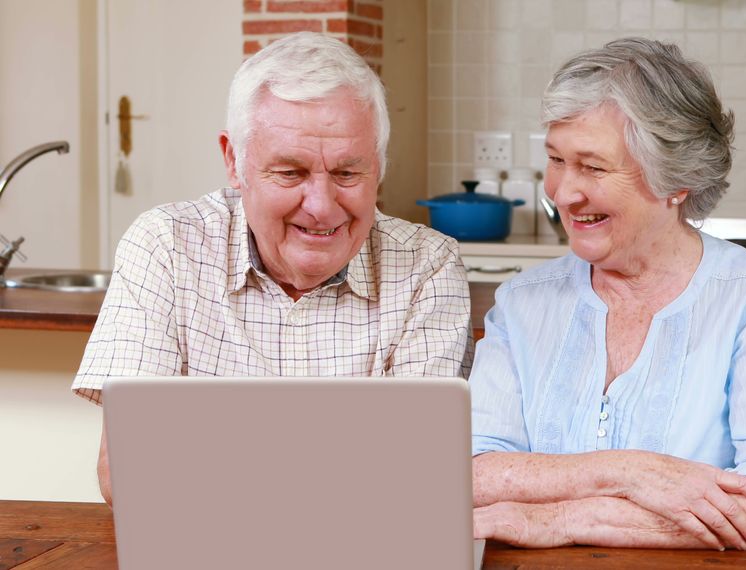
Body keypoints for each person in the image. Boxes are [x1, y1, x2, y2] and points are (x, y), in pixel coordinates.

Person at [469, 38, 746, 567]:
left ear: (676, 179)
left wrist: (553, 516)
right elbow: (468, 473)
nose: (564, 193)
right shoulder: (523, 304)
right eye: (555, 160)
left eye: (592, 167)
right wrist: (629, 472)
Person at [72, 32, 473, 504]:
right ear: (233, 160)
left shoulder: (428, 265)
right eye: (290, 173)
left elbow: (419, 475)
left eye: (347, 173)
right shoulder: (166, 245)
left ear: (379, 166)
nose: (322, 207)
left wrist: (211, 461)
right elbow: (126, 469)